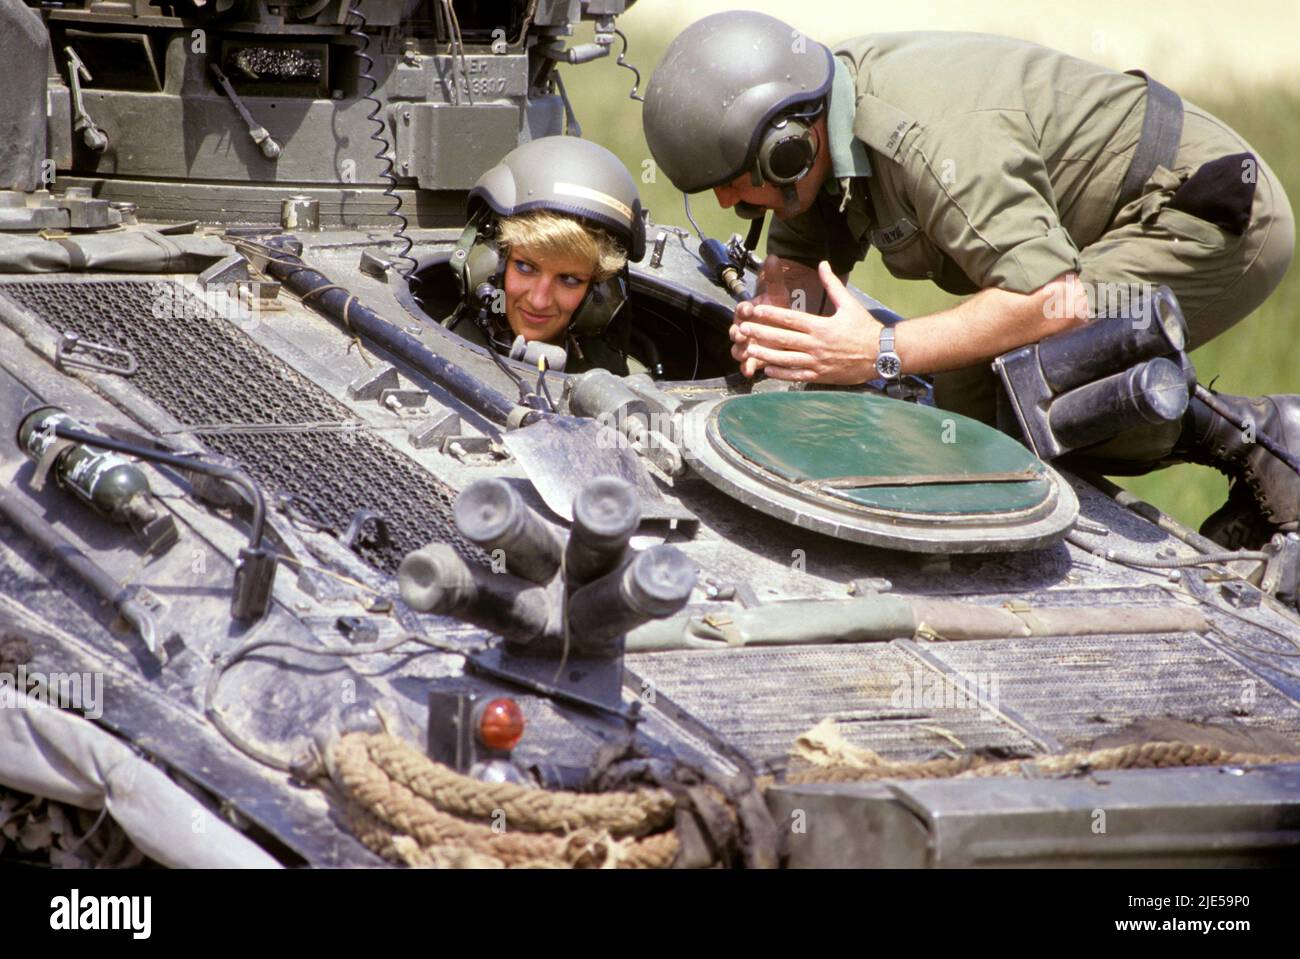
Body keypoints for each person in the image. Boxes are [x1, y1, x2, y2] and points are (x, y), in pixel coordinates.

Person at [642, 10, 1297, 545]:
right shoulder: (818, 132)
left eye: (734, 183)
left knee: (1018, 391)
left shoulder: (927, 139)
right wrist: (778, 346)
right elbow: (796, 267)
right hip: (1091, 237)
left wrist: (877, 351)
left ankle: (1259, 434)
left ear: (789, 143)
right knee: (957, 396)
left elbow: (1051, 299)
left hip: (1200, 213)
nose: (729, 206)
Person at [446, 136, 648, 376]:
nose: (539, 301)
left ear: (599, 295)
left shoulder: (611, 373)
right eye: (525, 267)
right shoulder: (442, 350)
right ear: (492, 269)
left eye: (570, 280)